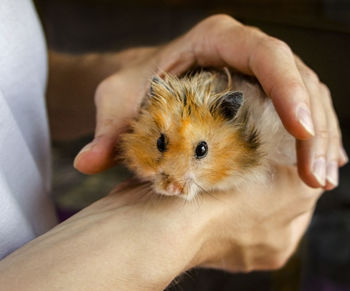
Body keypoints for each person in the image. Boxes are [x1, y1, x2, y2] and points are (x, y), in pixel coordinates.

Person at [0, 0, 347, 290]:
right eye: (163, 144)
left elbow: (17, 82)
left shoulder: (243, 134)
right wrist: (173, 236)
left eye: (200, 151)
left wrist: (120, 69)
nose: (175, 179)